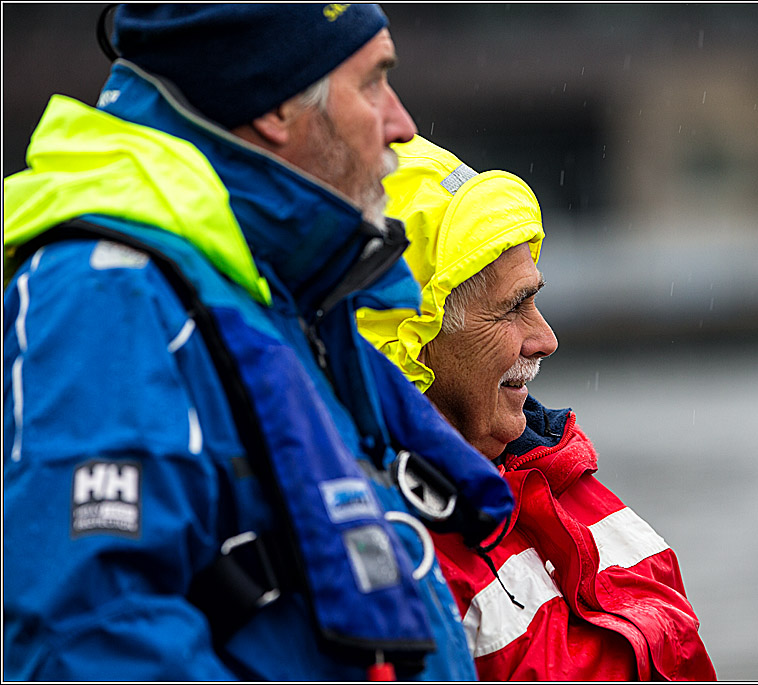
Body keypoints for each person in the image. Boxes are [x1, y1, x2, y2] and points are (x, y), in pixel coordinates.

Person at [2, 5, 514, 681]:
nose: (401, 123)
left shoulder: (267, 291)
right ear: (277, 106)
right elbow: (85, 639)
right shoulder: (105, 294)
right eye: (372, 83)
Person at [357, 134, 718, 681]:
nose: (545, 338)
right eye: (512, 309)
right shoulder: (390, 547)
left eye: (534, 300)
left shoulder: (554, 473)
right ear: (410, 345)